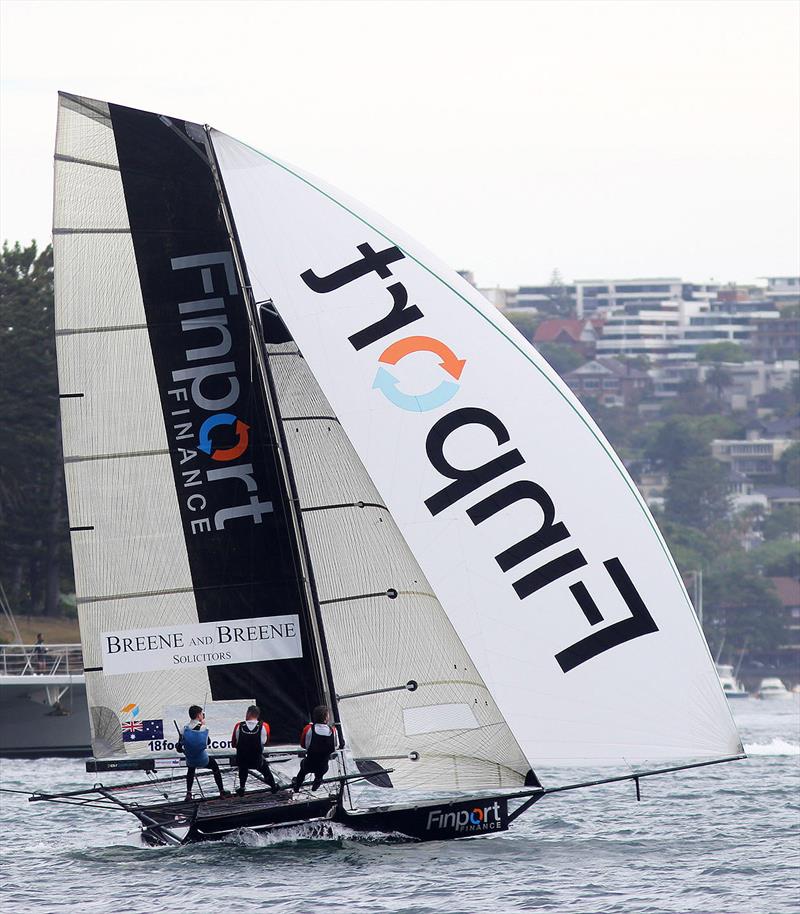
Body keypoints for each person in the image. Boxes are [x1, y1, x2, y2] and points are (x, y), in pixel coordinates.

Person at [182, 705, 229, 801]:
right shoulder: (204, 728)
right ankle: (222, 791)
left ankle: (188, 793)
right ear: (199, 715)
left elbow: (179, 747)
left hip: (190, 759)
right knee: (215, 767)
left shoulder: (184, 729)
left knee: (191, 769)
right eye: (202, 714)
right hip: (202, 759)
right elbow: (207, 742)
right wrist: (202, 724)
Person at [292, 704, 342, 792]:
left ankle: (297, 786)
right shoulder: (333, 730)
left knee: (302, 770)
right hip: (323, 766)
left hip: (309, 764)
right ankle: (317, 782)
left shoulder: (308, 728)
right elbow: (335, 746)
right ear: (326, 717)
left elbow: (303, 745)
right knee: (320, 772)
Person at [231, 705, 278, 797]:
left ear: (248, 713)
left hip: (242, 759)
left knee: (242, 768)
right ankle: (273, 786)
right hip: (256, 760)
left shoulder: (238, 725)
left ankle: (242, 788)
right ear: (258, 715)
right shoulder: (265, 726)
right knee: (265, 769)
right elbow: (266, 742)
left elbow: (233, 743)